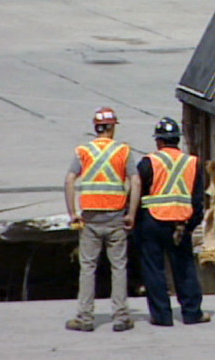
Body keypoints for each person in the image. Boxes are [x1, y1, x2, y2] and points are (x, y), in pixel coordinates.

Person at [64, 106, 140, 332]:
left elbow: (69, 181)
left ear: (96, 127)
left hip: (90, 218)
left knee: (87, 267)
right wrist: (132, 213)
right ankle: (121, 317)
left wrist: (73, 213)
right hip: (116, 217)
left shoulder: (83, 151)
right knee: (118, 266)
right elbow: (135, 182)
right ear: (112, 128)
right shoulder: (123, 151)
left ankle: (85, 318)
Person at [135, 117, 210, 326]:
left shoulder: (148, 162)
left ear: (159, 141)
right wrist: (190, 225)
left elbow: (137, 195)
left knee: (154, 269)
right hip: (180, 224)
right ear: (177, 139)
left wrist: (136, 224)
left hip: (153, 222)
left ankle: (161, 316)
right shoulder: (193, 162)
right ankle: (192, 312)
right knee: (185, 268)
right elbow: (198, 200)